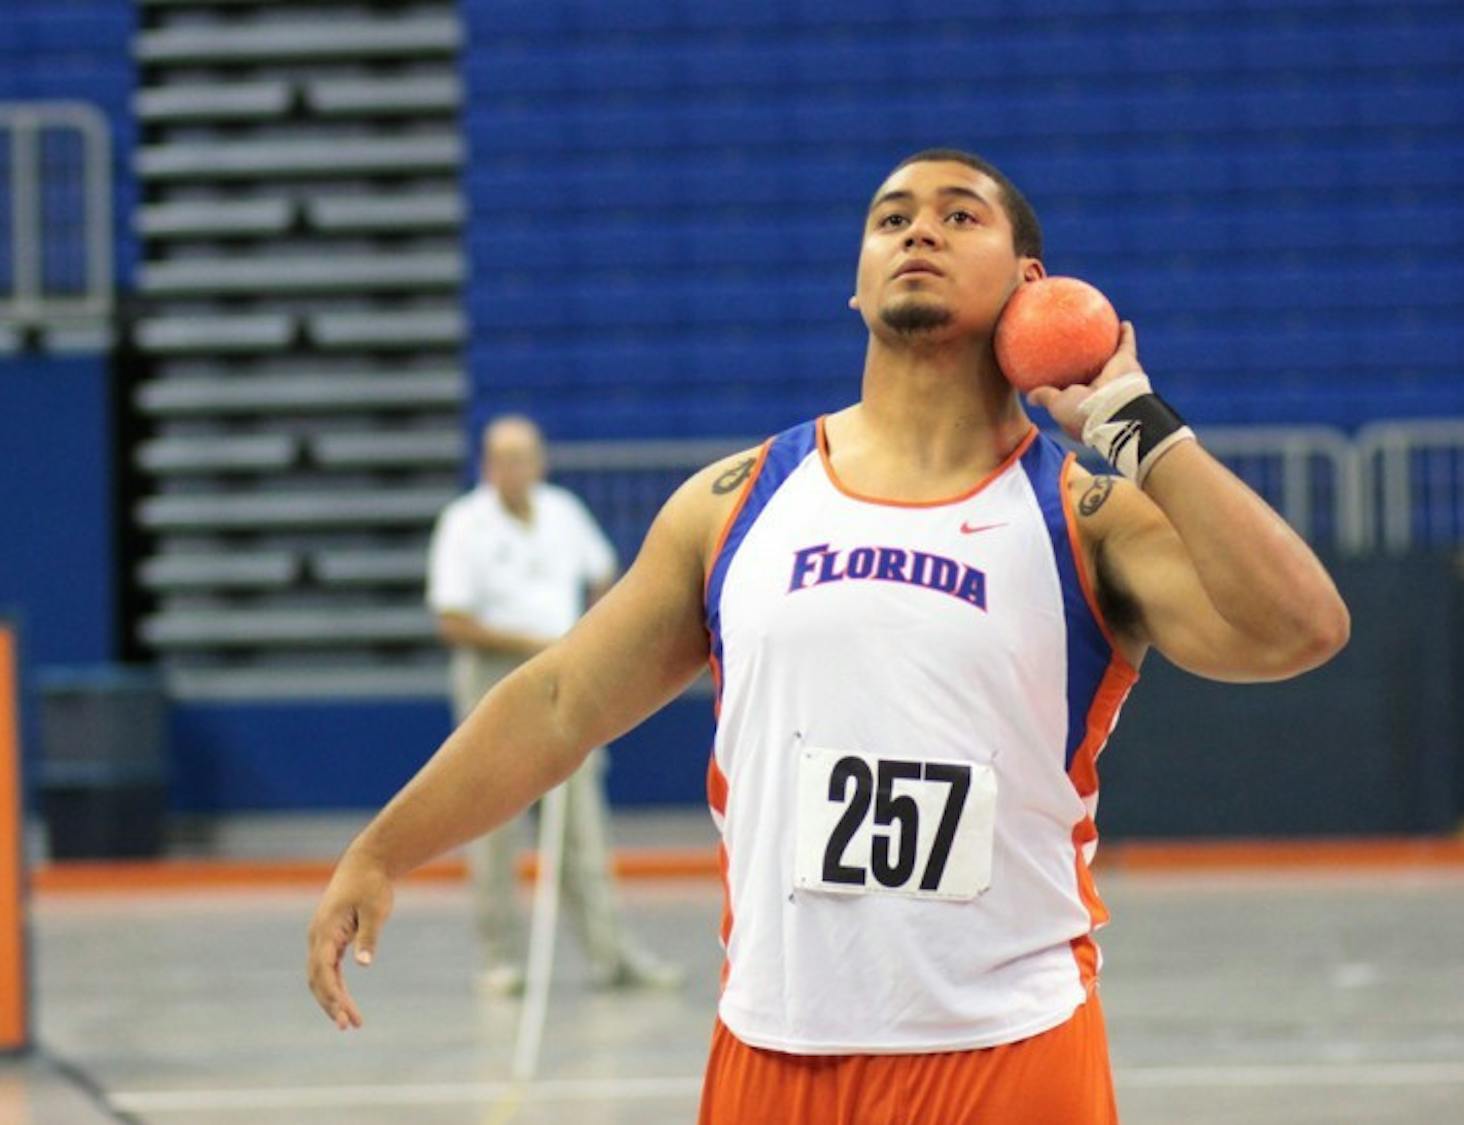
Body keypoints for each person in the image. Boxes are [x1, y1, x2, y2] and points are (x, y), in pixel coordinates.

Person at [309, 149, 1349, 1123]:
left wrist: (1140, 427)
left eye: (957, 216)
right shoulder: (737, 501)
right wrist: (383, 850)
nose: (918, 233)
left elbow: (1301, 627)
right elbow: (557, 702)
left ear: (1033, 283)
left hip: (1008, 1045)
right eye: (891, 218)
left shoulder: (1086, 517)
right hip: (773, 1048)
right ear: (856, 282)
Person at [425, 414, 679, 993]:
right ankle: (500, 959)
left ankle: (611, 955)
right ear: (488, 466)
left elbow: (604, 569)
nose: (516, 468)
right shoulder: (464, 525)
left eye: (526, 456)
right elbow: (453, 619)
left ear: (539, 461)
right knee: (492, 827)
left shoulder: (562, 512)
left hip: (565, 675)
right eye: (504, 458)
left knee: (582, 827)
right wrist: (533, 645)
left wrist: (586, 632)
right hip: (496, 677)